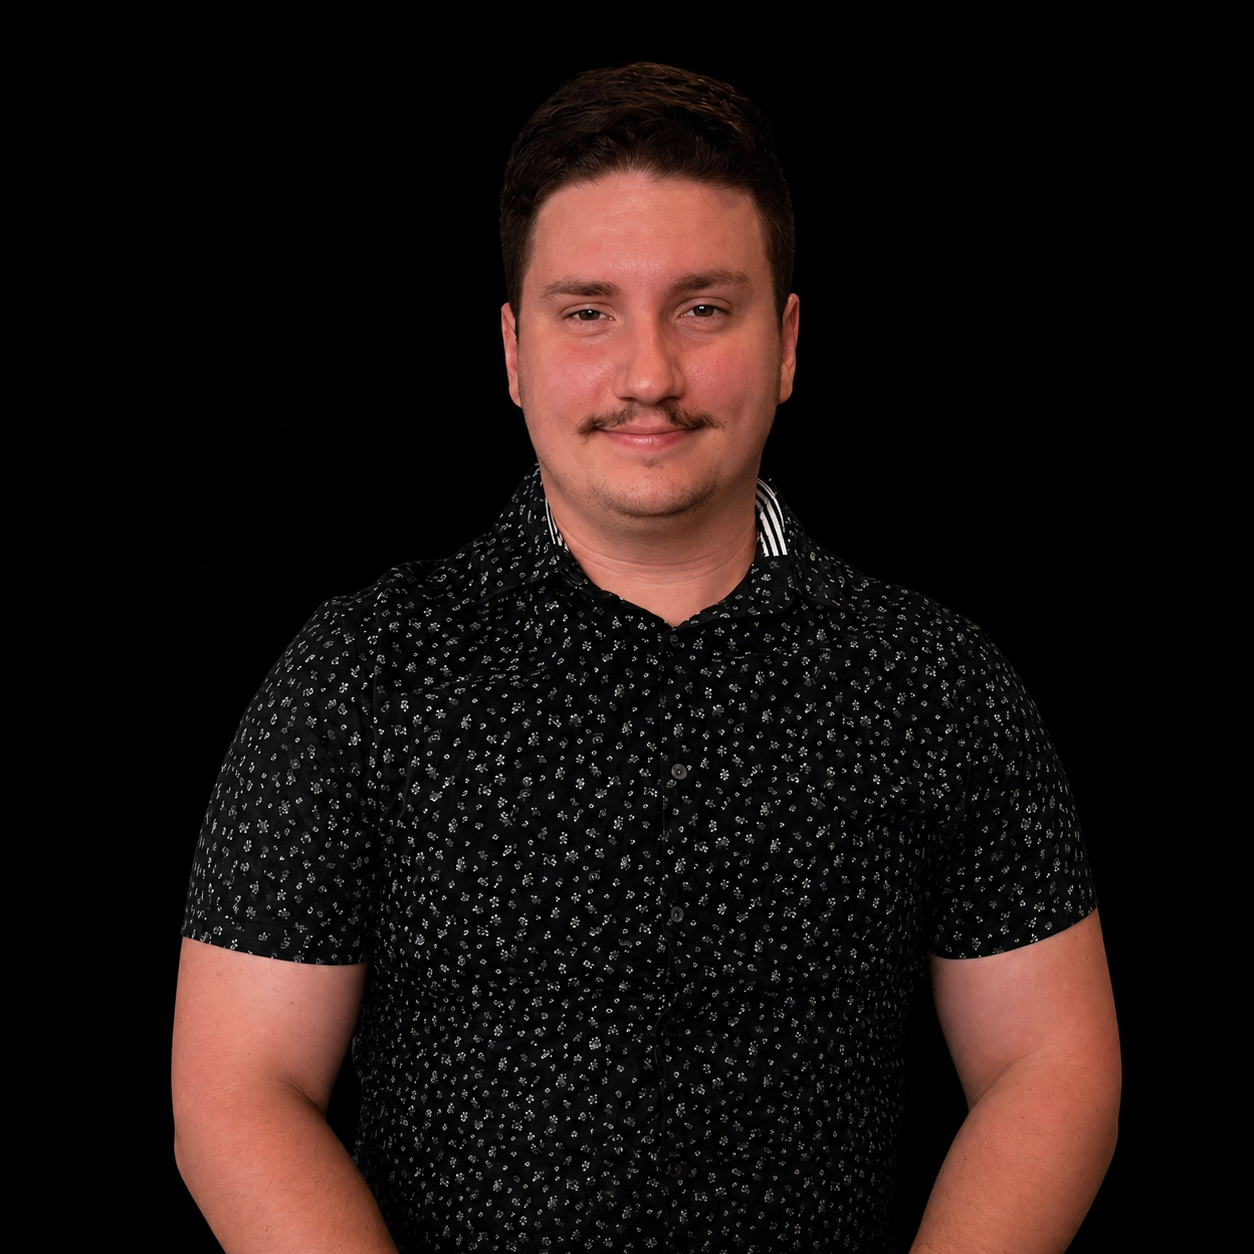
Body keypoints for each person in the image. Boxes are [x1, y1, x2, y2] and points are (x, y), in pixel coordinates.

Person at [173, 63, 1120, 1253]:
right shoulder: (362, 675)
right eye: (588, 312)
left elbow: (1052, 1066)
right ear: (514, 351)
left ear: (785, 342)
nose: (648, 377)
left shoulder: (938, 682)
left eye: (703, 309)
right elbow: (236, 1090)